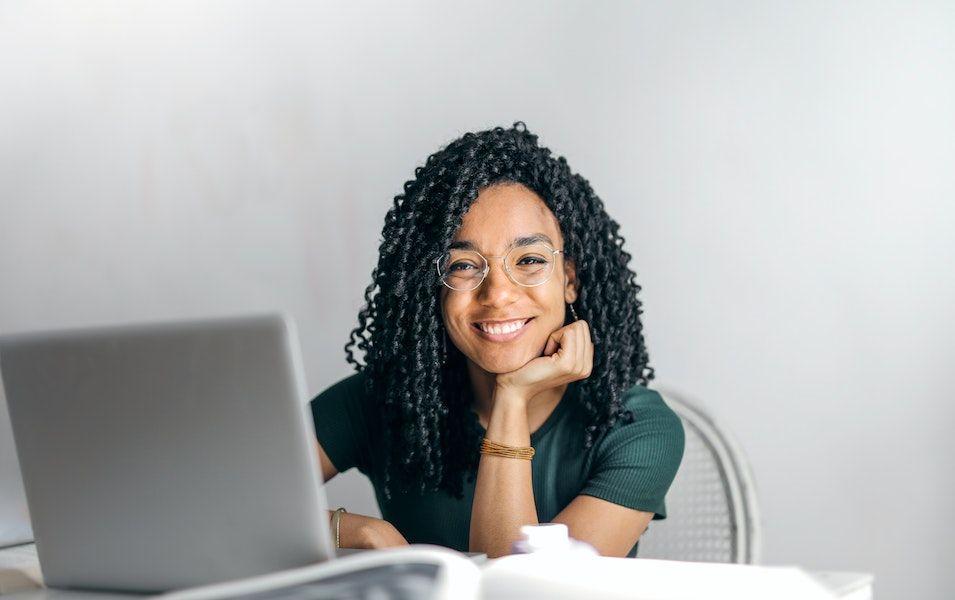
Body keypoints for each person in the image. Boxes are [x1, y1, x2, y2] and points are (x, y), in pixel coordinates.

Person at [310, 122, 684, 558]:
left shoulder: (636, 427)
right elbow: (222, 502)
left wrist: (512, 396)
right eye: (464, 266)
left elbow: (520, 591)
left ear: (570, 279)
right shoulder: (383, 399)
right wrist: (357, 531)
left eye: (528, 259)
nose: (499, 294)